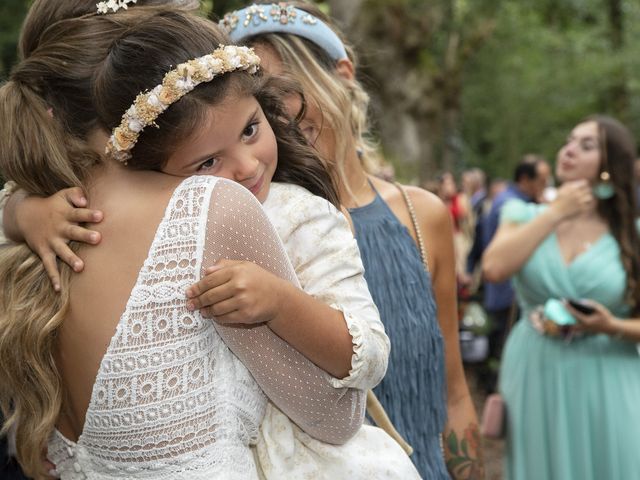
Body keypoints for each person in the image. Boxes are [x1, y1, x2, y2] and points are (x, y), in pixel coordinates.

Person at [0, 9, 398, 479]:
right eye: (207, 161)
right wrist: (21, 212)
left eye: (252, 129)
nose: (247, 168)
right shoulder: (204, 211)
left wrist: (279, 303)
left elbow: (366, 355)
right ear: (146, 153)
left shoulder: (300, 215)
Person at [220, 2, 483, 478]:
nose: (273, 114)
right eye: (253, 107)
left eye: (283, 89)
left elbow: (454, 392)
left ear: (341, 74)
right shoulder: (251, 227)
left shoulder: (421, 216)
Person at [483, 116, 640, 479]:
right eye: (569, 141)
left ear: (609, 166)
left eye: (587, 146)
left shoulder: (632, 235)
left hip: (609, 371)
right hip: (536, 365)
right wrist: (555, 213)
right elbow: (494, 268)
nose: (569, 150)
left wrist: (611, 324)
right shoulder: (522, 214)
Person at [477, 154, 550, 392]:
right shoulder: (511, 206)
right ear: (524, 179)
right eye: (541, 180)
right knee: (501, 343)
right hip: (506, 290)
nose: (545, 187)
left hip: (506, 289)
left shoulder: (513, 201)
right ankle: (495, 391)